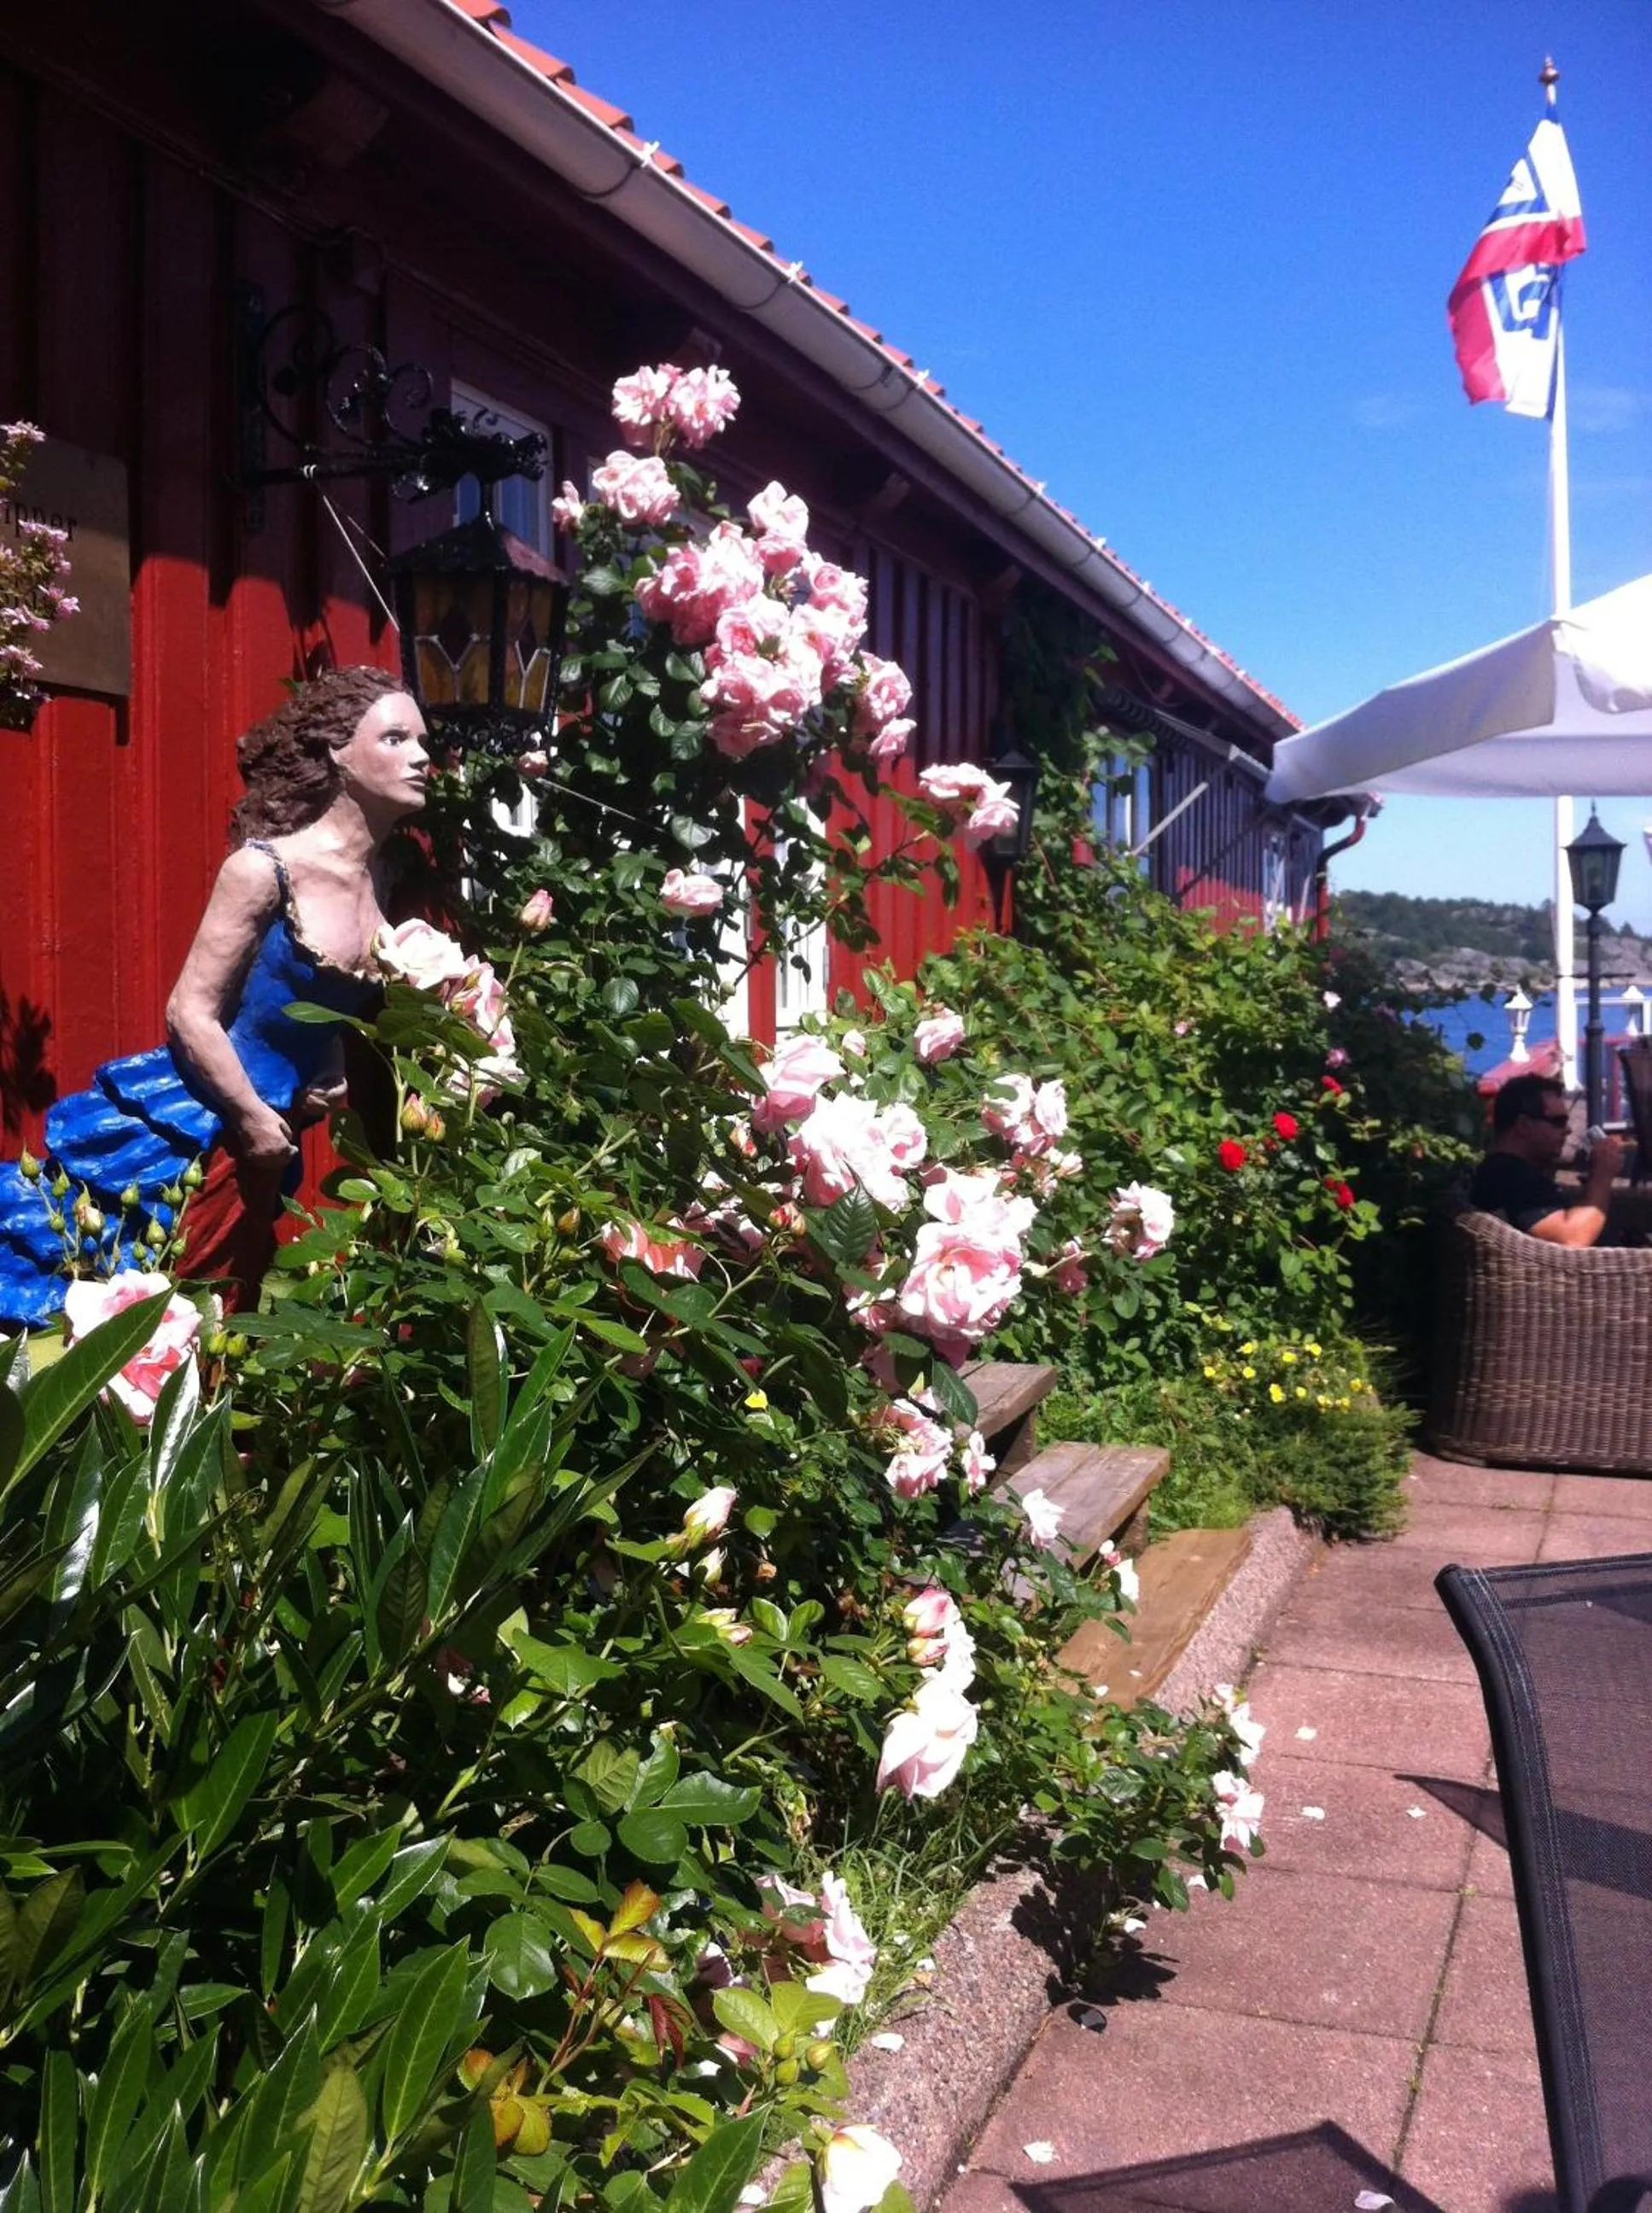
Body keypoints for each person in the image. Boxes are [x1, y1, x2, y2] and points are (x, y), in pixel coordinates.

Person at [0, 666, 430, 1325]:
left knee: (221, 1308)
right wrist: (253, 1117)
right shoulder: (266, 869)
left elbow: (327, 1006)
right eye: (396, 738)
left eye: (421, 740)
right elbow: (191, 1012)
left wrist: (330, 1072)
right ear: (337, 753)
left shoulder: (379, 878)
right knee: (128, 1286)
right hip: (197, 1126)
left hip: (269, 1139)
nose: (421, 756)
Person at [1468, 1071, 1625, 1249]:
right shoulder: (1511, 1177)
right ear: (1524, 1125)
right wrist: (1602, 1174)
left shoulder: (1504, 1169)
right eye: (1558, 1121)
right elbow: (1572, 1241)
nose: (1568, 1130)